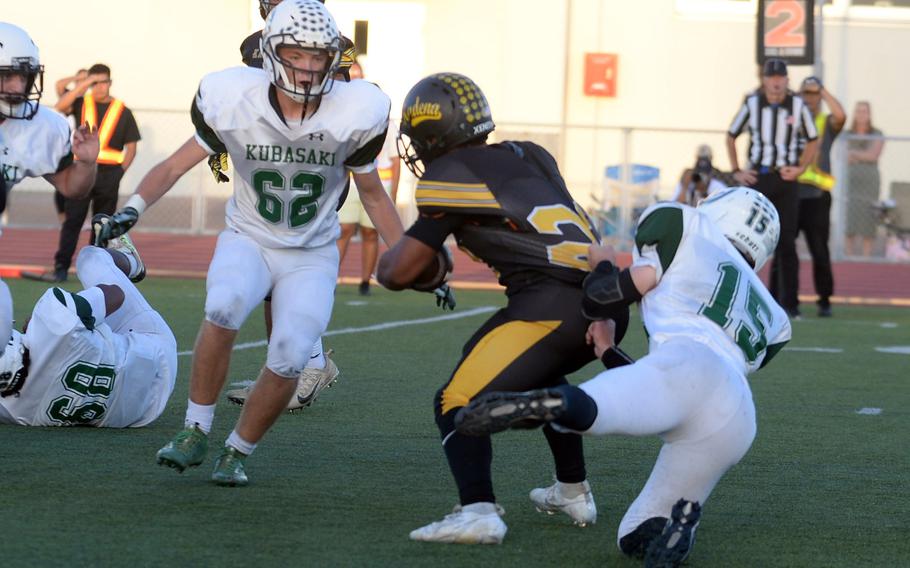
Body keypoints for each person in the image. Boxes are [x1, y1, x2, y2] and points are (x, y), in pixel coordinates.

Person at [95, 0, 403, 486]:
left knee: (291, 351)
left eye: (317, 56)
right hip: (249, 237)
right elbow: (175, 164)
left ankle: (237, 451)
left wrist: (412, 254)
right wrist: (132, 208)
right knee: (224, 305)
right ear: (270, 51)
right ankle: (195, 430)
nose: (305, 67)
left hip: (312, 253)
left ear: (333, 58)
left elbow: (373, 194)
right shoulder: (233, 95)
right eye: (295, 54)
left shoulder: (358, 109)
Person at [455, 186, 792, 566]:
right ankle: (678, 524)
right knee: (634, 533)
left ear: (719, 210)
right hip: (737, 418)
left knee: (599, 405)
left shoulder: (686, 227)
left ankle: (559, 404)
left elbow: (602, 298)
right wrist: (608, 352)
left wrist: (602, 264)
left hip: (685, 364)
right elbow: (678, 389)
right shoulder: (776, 320)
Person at [378, 72, 632, 544]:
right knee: (537, 375)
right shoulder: (528, 154)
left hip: (553, 305)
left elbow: (398, 274)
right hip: (606, 298)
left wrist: (397, 266)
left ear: (434, 135)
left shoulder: (449, 175)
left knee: (455, 399)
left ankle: (477, 511)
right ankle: (572, 490)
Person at [224, 0, 355, 411]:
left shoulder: (335, 44)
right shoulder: (253, 45)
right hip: (271, 171)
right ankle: (290, 369)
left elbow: (343, 102)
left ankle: (302, 368)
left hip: (312, 169)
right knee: (271, 274)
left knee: (284, 271)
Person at [0, 228, 177, 427]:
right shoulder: (52, 318)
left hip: (139, 414)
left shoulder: (10, 411)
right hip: (156, 356)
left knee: (86, 335)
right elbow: (115, 295)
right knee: (90, 257)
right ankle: (132, 261)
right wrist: (76, 315)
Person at [0, 22, 99, 344]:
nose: (17, 87)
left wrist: (86, 162)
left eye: (24, 76)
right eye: (6, 76)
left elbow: (74, 188)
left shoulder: (41, 126)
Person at [25, 63, 141, 284]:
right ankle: (61, 268)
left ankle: (96, 271)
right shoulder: (81, 102)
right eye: (95, 83)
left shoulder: (122, 110)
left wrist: (119, 173)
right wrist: (85, 81)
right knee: (73, 221)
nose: (99, 87)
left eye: (103, 82)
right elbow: (60, 104)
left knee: (103, 226)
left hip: (109, 175)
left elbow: (132, 147)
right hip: (82, 172)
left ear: (110, 82)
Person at [727, 58, 818, 318]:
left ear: (787, 80)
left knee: (787, 241)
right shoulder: (752, 104)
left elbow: (813, 139)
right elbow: (731, 134)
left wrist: (800, 167)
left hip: (786, 179)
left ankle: (789, 304)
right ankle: (739, 301)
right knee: (745, 241)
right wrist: (737, 170)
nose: (776, 82)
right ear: (764, 80)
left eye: (780, 78)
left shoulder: (798, 105)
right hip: (760, 178)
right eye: (772, 77)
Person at [337, 62, 401, 296]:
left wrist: (392, 191)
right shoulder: (343, 117)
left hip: (377, 180)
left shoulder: (386, 122)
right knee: (343, 229)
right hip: (353, 181)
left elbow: (395, 159)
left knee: (370, 232)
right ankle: (330, 277)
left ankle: (365, 281)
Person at [796, 76, 846, 317]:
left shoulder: (825, 122)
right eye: (807, 93)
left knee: (819, 250)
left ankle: (824, 300)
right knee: (785, 249)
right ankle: (784, 299)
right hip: (792, 193)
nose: (810, 97)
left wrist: (823, 90)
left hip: (817, 197)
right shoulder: (791, 119)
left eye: (814, 93)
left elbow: (841, 116)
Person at [845, 101, 884, 258]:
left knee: (868, 221)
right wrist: (863, 155)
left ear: (869, 114)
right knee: (850, 222)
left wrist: (854, 154)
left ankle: (866, 257)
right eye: (859, 111)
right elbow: (844, 156)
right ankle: (848, 256)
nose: (862, 114)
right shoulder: (847, 134)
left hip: (870, 183)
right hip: (852, 183)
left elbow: (874, 154)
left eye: (865, 111)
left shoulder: (877, 133)